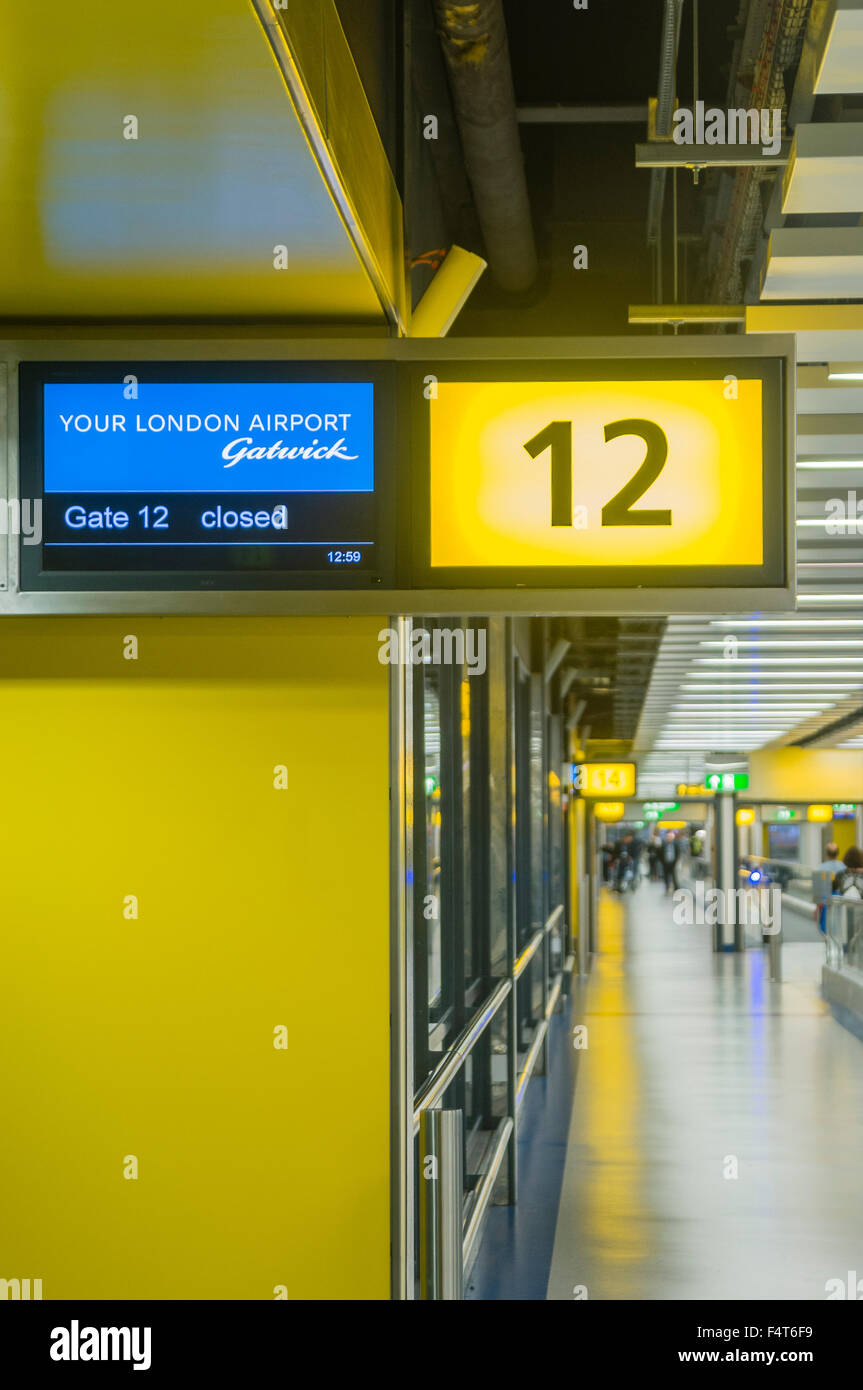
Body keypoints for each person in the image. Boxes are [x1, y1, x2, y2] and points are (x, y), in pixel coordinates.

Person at [661, 830, 680, 896]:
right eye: (668, 837)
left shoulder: (675, 844)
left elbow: (678, 853)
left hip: (673, 863)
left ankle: (676, 888)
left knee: (674, 875)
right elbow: (660, 854)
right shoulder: (663, 845)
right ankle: (667, 887)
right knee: (666, 876)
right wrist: (663, 861)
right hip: (665, 863)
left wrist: (675, 861)